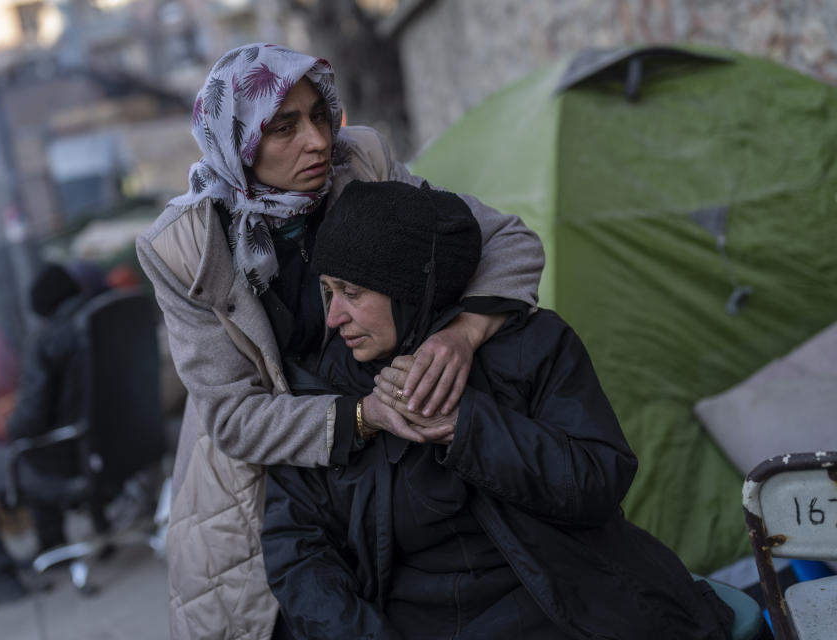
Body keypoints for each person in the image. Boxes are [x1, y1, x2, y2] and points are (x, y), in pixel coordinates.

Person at [135, 43, 545, 639]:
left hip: (398, 456)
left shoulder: (362, 167)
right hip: (272, 478)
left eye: (320, 115)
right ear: (238, 143)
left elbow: (507, 243)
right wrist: (363, 415)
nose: (318, 140)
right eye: (284, 127)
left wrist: (462, 334)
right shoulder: (183, 247)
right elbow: (233, 418)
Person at [262, 180, 734, 640]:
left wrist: (464, 426)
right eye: (327, 291)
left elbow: (599, 481)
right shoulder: (323, 390)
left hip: (564, 607)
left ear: (405, 286)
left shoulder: (529, 347)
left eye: (352, 292)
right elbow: (298, 549)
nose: (334, 317)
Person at [0, 261, 107, 610]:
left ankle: (1, 580)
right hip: (117, 452)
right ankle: (54, 549)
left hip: (67, 465)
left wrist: (8, 422)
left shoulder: (46, 341)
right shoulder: (109, 316)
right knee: (38, 447)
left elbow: (27, 424)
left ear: (41, 308)